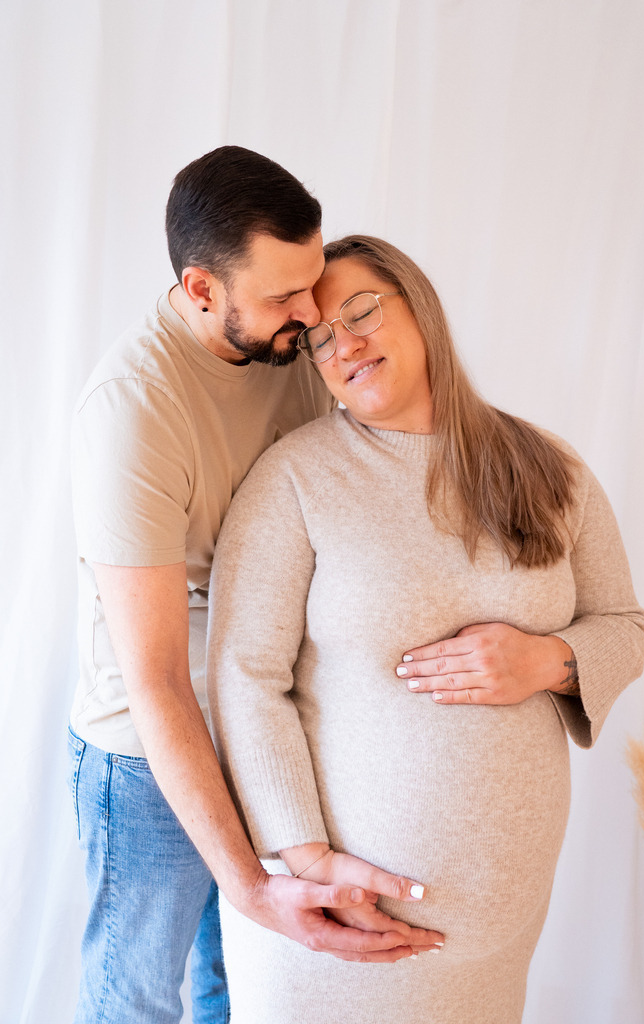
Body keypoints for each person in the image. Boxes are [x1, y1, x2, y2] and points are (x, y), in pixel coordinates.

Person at [206, 234, 644, 1024]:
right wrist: (309, 864)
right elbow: (246, 680)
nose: (343, 344)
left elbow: (624, 627)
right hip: (335, 926)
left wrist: (549, 662)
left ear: (419, 305)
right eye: (318, 338)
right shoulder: (295, 479)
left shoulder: (550, 470)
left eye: (361, 312)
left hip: (492, 941)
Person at [68, 156, 443, 1024]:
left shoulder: (289, 342)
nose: (311, 318)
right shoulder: (132, 411)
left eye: (312, 285)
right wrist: (247, 883)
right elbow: (159, 681)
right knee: (135, 1001)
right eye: (284, 298)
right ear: (201, 288)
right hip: (147, 756)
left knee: (233, 990)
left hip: (263, 727)